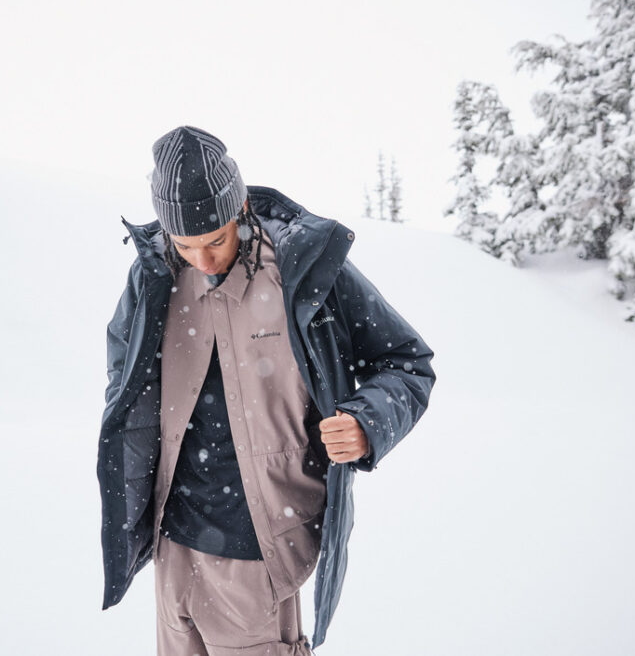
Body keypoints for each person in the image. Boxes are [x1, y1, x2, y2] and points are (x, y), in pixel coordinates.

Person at [98, 125, 436, 654]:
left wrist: (367, 422)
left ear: (239, 211)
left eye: (215, 240)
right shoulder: (154, 275)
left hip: (259, 547)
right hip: (171, 542)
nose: (203, 260)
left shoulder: (305, 272)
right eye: (186, 245)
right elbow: (125, 381)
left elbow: (407, 363)